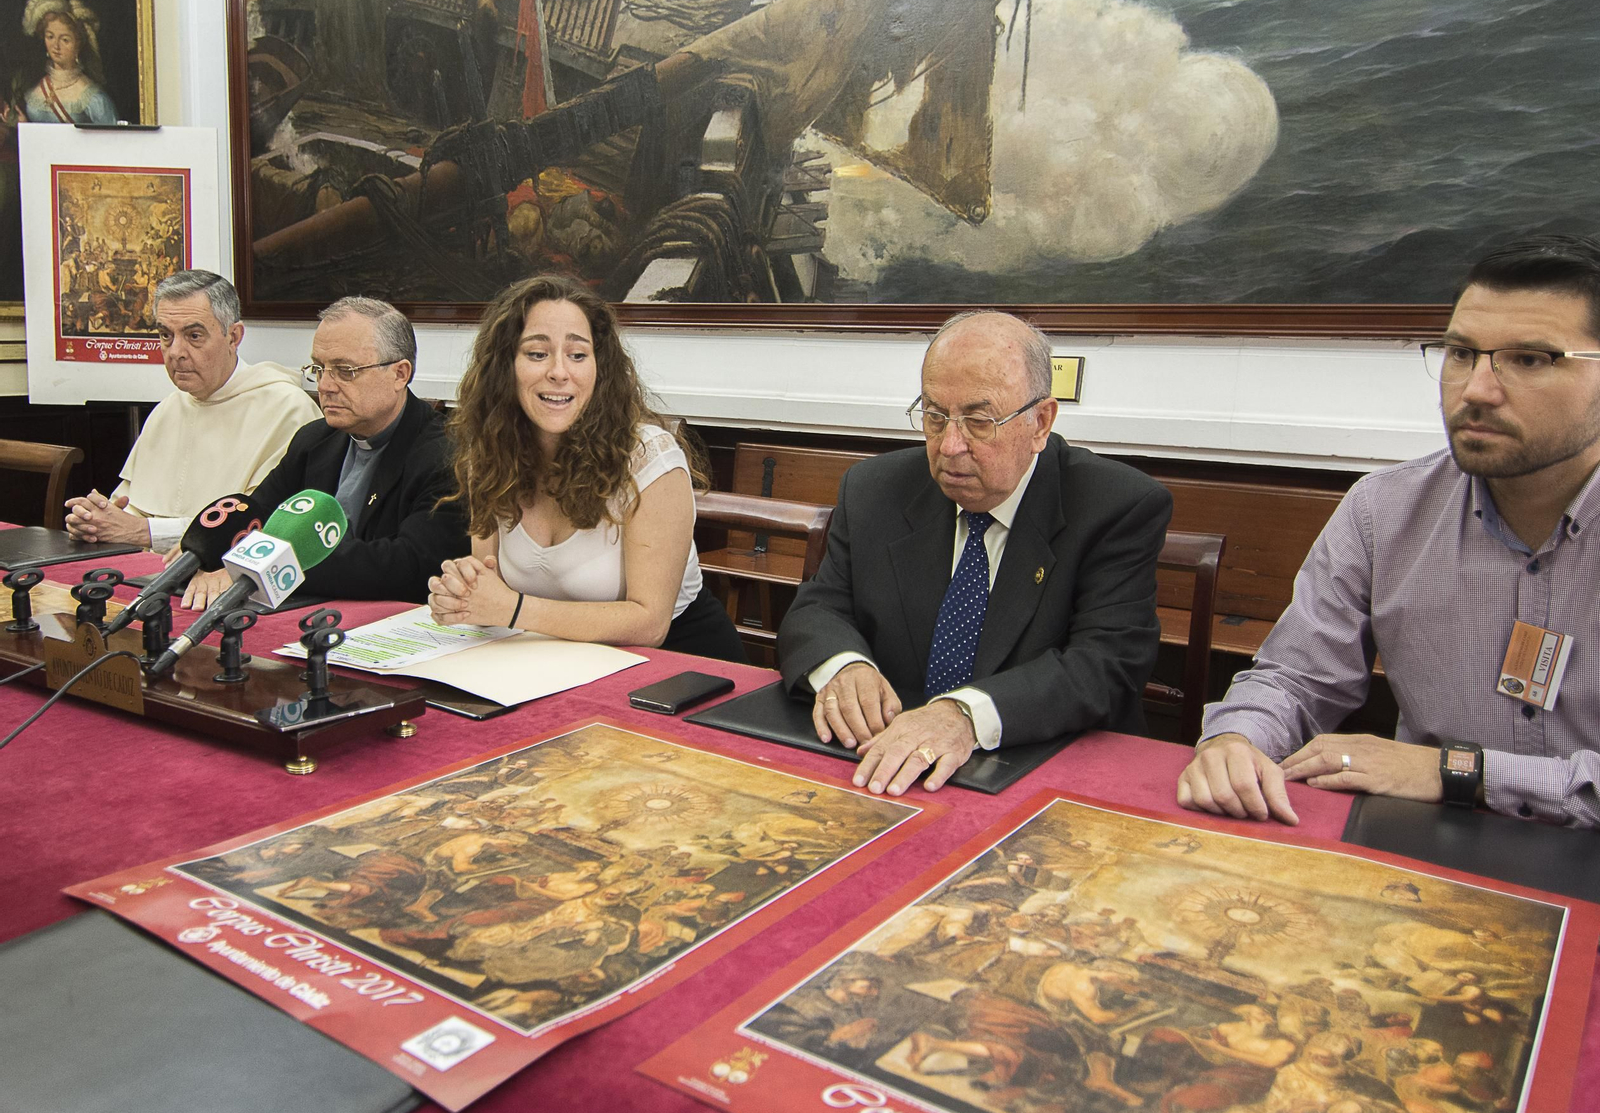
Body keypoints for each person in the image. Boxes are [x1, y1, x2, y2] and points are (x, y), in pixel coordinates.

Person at [1177, 234, 1600, 831]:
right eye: (1460, 354)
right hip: (1431, 849)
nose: (1477, 389)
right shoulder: (1385, 509)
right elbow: (1296, 678)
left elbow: (1453, 773)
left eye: (1530, 359)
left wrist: (1459, 772)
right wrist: (1235, 742)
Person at [777, 310, 1172, 797]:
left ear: (1040, 422)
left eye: (979, 422)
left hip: (1046, 775)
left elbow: (1104, 666)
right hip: (890, 768)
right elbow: (818, 607)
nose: (950, 445)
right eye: (934, 416)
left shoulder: (1115, 505)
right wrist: (843, 667)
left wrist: (964, 715)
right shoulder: (875, 489)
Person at [426, 274, 745, 661]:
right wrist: (461, 596)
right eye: (537, 354)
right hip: (554, 662)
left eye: (578, 355)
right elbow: (487, 583)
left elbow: (650, 623)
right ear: (504, 367)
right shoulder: (491, 452)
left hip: (676, 664)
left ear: (600, 368)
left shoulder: (648, 457)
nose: (560, 372)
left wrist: (512, 608)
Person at [178, 297, 469, 609]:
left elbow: (408, 566)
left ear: (399, 374)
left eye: (345, 370)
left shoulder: (447, 454)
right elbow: (256, 517)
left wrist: (264, 568)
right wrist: (206, 556)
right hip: (310, 611)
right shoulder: (314, 439)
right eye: (319, 368)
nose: (326, 386)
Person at [64, 270, 319, 551]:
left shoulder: (288, 410)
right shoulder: (168, 409)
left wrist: (145, 532)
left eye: (193, 335)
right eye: (165, 335)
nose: (175, 352)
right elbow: (126, 510)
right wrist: (93, 520)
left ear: (233, 337)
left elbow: (263, 525)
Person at [15, 0, 117, 125]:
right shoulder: (35, 89)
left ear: (78, 44)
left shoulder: (93, 98)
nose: (56, 46)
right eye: (50, 37)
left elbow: (113, 140)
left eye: (65, 40)